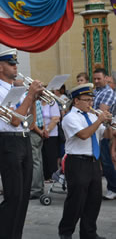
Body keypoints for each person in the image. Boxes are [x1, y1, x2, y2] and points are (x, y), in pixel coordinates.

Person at [0, 49, 43, 239]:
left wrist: (33, 100)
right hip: (9, 143)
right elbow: (14, 121)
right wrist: (29, 96)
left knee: (23, 197)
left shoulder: (17, 90)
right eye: (12, 64)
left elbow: (31, 123)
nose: (16, 67)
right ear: (0, 67)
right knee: (13, 197)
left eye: (15, 64)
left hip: (24, 140)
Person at [58, 83, 109, 239]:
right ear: (76, 101)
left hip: (93, 161)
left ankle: (89, 233)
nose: (90, 103)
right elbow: (84, 135)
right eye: (86, 100)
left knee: (94, 200)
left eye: (91, 100)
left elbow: (104, 136)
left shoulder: (93, 116)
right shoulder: (70, 118)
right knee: (76, 200)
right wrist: (100, 120)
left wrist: (109, 125)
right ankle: (66, 232)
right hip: (77, 162)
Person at [92, 68, 116, 200]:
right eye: (94, 79)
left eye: (99, 79)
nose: (96, 81)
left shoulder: (109, 92)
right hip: (94, 129)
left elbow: (101, 111)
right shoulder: (94, 91)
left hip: (104, 130)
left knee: (106, 161)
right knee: (99, 161)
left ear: (106, 78)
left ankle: (113, 188)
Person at [40, 100, 61, 182]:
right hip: (40, 132)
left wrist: (47, 130)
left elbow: (55, 118)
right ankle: (45, 176)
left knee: (51, 156)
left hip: (51, 133)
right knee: (43, 156)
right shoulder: (37, 102)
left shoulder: (52, 102)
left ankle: (52, 176)